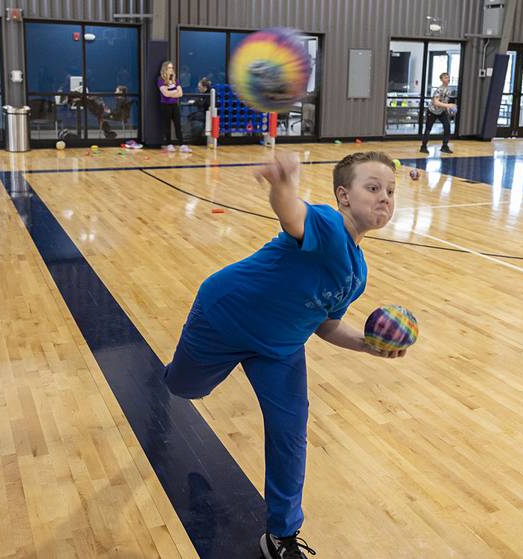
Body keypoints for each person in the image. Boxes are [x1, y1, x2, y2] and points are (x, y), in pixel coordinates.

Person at [163, 151, 406, 559]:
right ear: (343, 196)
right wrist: (282, 185)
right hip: (225, 316)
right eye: (373, 187)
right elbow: (292, 215)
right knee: (185, 388)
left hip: (280, 348)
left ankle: (282, 534)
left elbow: (325, 324)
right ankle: (175, 375)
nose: (385, 197)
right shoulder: (328, 224)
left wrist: (366, 346)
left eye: (391, 191)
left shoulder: (358, 274)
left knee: (290, 434)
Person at [419, 72, 457, 154]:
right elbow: (436, 102)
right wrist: (448, 105)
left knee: (447, 127)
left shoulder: (448, 90)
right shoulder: (439, 90)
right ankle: (423, 147)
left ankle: (444, 146)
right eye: (446, 77)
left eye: (448, 77)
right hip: (432, 111)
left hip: (441, 112)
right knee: (428, 129)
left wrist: (448, 110)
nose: (448, 79)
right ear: (441, 79)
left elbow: (444, 102)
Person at [157, 61, 190, 152]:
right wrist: (174, 92)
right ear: (165, 69)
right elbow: (165, 94)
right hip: (165, 105)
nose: (171, 69)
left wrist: (171, 93)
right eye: (169, 68)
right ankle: (169, 144)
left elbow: (181, 93)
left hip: (174, 105)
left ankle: (182, 144)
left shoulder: (176, 80)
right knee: (167, 125)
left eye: (172, 68)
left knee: (178, 125)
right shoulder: (161, 80)